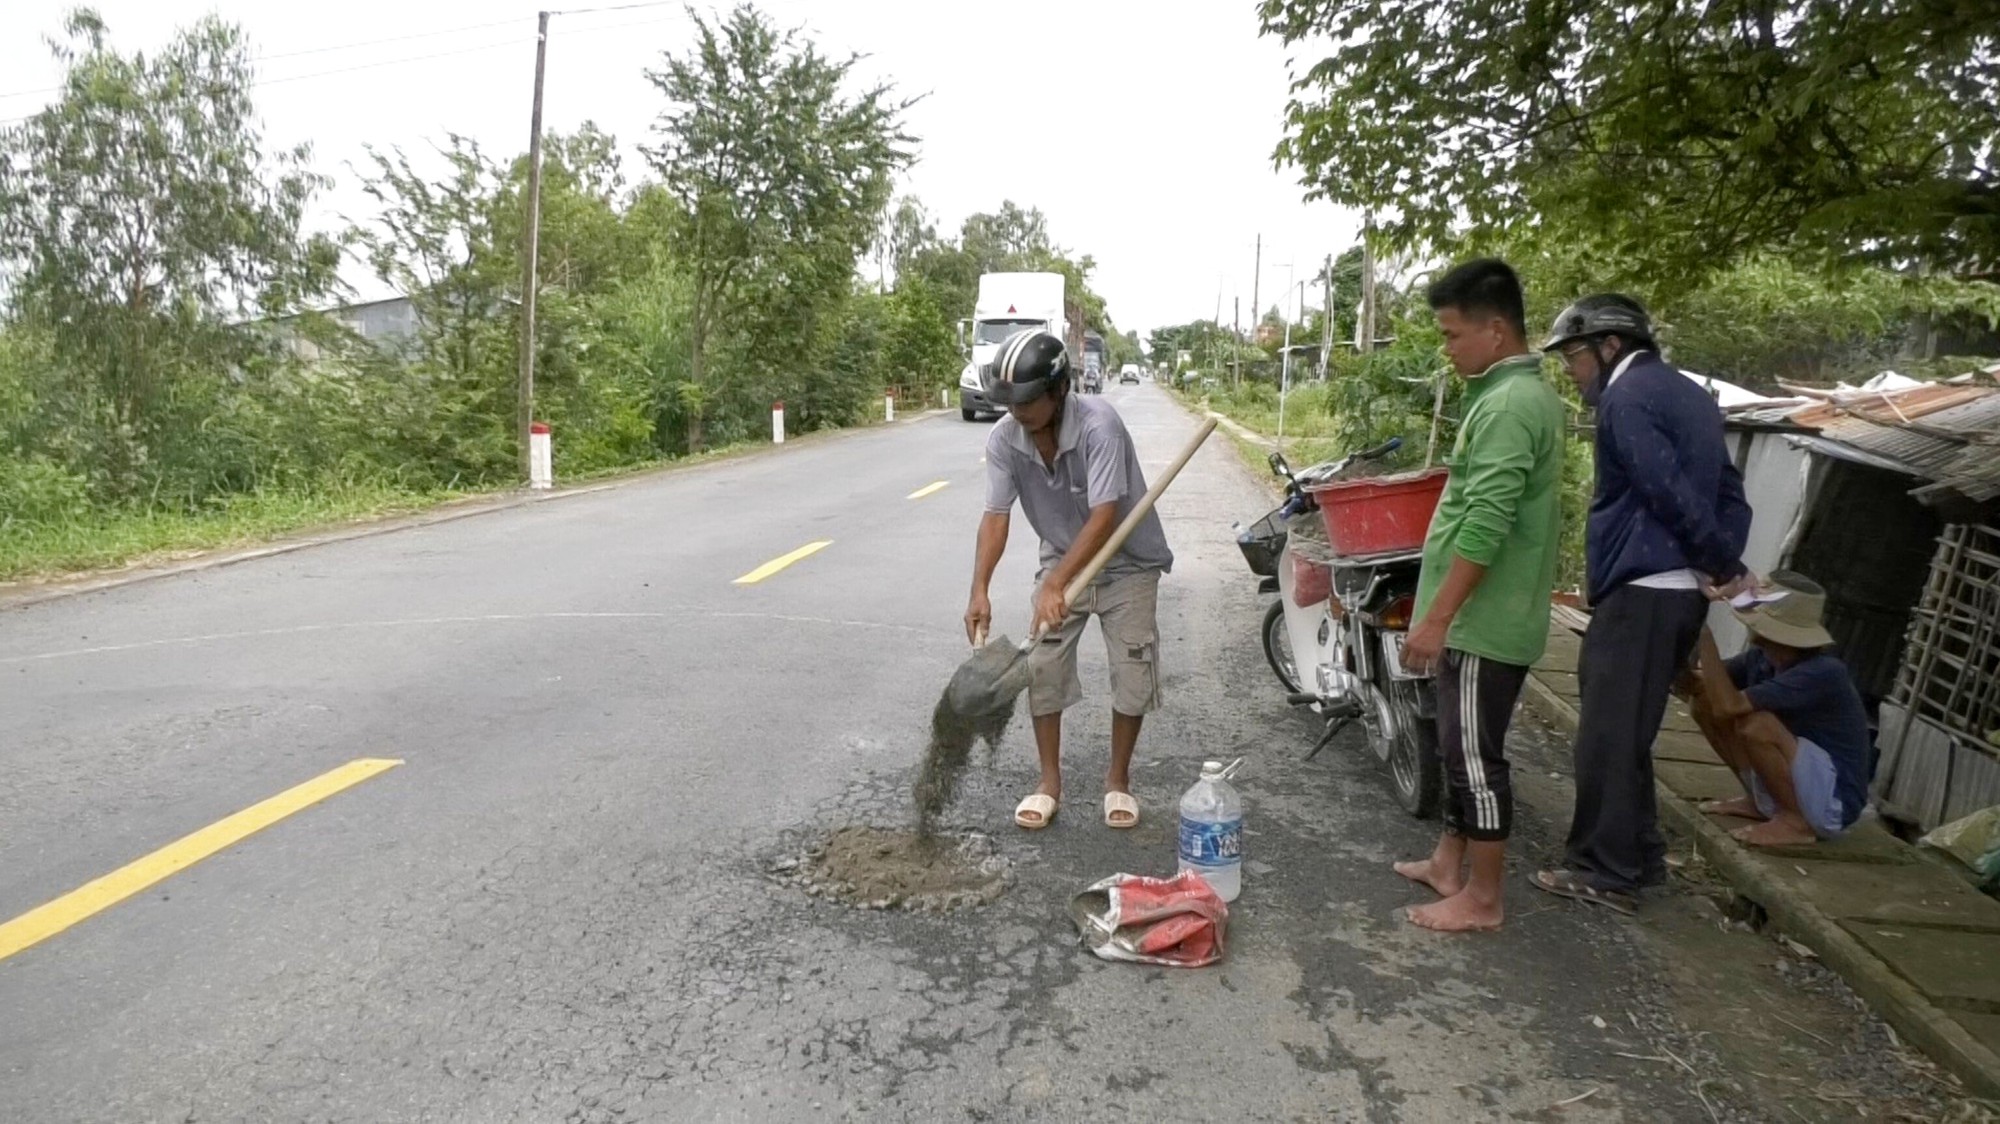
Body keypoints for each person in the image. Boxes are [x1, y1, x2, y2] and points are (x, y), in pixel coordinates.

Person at [1530, 295, 1755, 914]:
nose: (1571, 372)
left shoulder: (1626, 400)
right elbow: (1729, 495)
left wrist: (1720, 563)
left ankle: (1605, 871)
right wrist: (1721, 560)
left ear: (1609, 347)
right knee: (1629, 731)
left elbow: (1667, 491)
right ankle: (1642, 854)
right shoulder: (1690, 396)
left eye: (1574, 356)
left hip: (1644, 590)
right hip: (1678, 595)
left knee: (1606, 733)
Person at [1395, 258, 1567, 933]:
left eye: (1451, 334)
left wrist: (1436, 619)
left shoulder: (1508, 405)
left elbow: (1488, 524)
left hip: (1483, 623)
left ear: (1495, 332)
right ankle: (1448, 863)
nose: (1446, 348)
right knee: (1455, 746)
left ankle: (1484, 898)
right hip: (1479, 618)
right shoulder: (1508, 397)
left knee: (1473, 757)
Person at [965, 329, 1173, 832]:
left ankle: (1117, 781)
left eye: (1029, 401)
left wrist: (1056, 585)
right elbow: (996, 515)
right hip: (1061, 557)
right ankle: (1048, 782)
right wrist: (980, 589)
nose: (1019, 412)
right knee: (1044, 665)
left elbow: (1105, 516)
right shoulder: (1004, 440)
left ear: (1059, 390)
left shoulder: (1100, 425)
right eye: (1011, 402)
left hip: (1129, 563)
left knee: (1132, 671)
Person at [1684, 572, 1872, 846]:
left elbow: (1728, 706)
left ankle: (1795, 821)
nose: (1755, 638)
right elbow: (1705, 687)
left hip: (1833, 802)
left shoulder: (1823, 672)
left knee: (1757, 724)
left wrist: (1704, 636)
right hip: (1803, 780)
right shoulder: (1761, 658)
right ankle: (1760, 801)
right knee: (1703, 701)